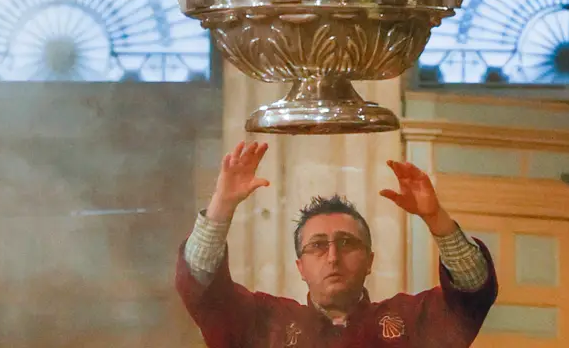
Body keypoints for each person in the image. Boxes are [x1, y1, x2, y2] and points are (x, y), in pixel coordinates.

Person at [175, 140, 498, 347]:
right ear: (300, 267)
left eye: (347, 243)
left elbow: (472, 289)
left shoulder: (410, 321)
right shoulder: (265, 323)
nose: (332, 257)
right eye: (317, 245)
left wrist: (436, 218)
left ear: (370, 261)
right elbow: (201, 286)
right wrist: (222, 205)